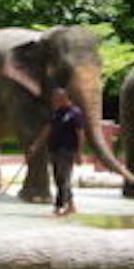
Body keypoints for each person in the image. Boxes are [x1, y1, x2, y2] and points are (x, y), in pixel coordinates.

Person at [32, 88, 85, 216]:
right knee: (59, 178)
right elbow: (48, 128)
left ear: (64, 98)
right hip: (54, 149)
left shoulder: (74, 113)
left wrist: (79, 153)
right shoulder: (57, 112)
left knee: (63, 178)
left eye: (56, 100)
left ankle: (59, 207)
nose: (54, 102)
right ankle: (71, 206)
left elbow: (80, 134)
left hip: (67, 150)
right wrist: (36, 144)